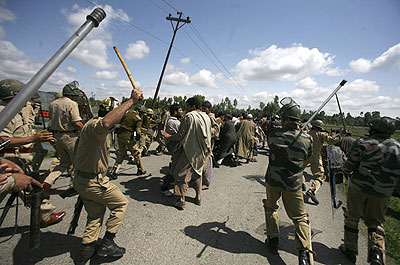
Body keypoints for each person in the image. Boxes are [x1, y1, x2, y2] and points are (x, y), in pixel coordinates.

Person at [73, 87, 143, 263]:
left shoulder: (90, 127)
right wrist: (132, 101)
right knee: (121, 203)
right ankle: (107, 244)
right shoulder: (98, 126)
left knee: (95, 215)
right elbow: (106, 123)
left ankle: (86, 250)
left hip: (83, 180)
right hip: (93, 181)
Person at [0, 79, 66, 227]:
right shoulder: (3, 112)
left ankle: (44, 215)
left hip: (21, 156)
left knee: (30, 186)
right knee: (30, 187)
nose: (28, 101)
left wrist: (38, 138)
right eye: (24, 97)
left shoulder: (16, 111)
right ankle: (45, 215)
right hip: (10, 158)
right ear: (14, 97)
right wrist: (32, 138)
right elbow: (2, 140)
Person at [339, 117, 400, 265]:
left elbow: (349, 165)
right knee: (376, 223)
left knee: (352, 218)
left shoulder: (362, 143)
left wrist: (342, 172)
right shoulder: (397, 148)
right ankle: (377, 254)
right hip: (382, 192)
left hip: (359, 187)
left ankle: (350, 249)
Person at [263, 97, 314, 265]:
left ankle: (273, 239)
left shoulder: (274, 134)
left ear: (284, 117)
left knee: (271, 208)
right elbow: (307, 158)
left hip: (273, 180)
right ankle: (304, 254)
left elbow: (271, 146)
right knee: (300, 218)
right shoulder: (306, 139)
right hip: (293, 183)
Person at [161, 97, 211, 210]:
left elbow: (180, 135)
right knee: (197, 174)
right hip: (202, 151)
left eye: (187, 106)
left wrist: (169, 136)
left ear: (193, 106)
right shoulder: (206, 116)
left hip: (189, 150)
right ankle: (198, 197)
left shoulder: (189, 117)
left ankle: (181, 199)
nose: (186, 109)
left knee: (181, 174)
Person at [42, 81, 84, 197]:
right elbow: (76, 122)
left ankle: (47, 182)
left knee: (63, 163)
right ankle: (75, 186)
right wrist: (85, 130)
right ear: (72, 94)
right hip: (70, 137)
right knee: (78, 163)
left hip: (56, 136)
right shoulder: (72, 104)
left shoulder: (53, 103)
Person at [303, 119, 340, 204]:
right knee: (320, 176)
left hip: (305, 155)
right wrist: (340, 135)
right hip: (316, 156)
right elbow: (332, 141)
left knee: (298, 171)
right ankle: (312, 190)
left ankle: (301, 183)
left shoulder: (306, 132)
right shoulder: (322, 134)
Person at [108, 108, 145, 178]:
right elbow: (137, 131)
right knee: (136, 154)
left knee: (122, 154)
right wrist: (137, 138)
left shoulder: (126, 114)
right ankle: (140, 169)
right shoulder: (138, 119)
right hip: (128, 137)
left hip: (120, 136)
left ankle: (114, 170)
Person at [160, 103, 183, 195]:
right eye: (180, 110)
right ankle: (165, 187)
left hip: (173, 146)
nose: (182, 112)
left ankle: (170, 182)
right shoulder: (175, 122)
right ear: (175, 112)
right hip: (175, 147)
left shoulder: (173, 121)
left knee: (175, 165)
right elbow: (179, 135)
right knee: (174, 167)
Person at [201, 101, 220, 189]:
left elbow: (216, 130)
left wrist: (207, 131)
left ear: (209, 109)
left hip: (208, 143)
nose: (203, 110)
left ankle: (206, 182)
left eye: (205, 108)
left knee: (208, 161)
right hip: (204, 142)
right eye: (202, 108)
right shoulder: (205, 116)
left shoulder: (211, 117)